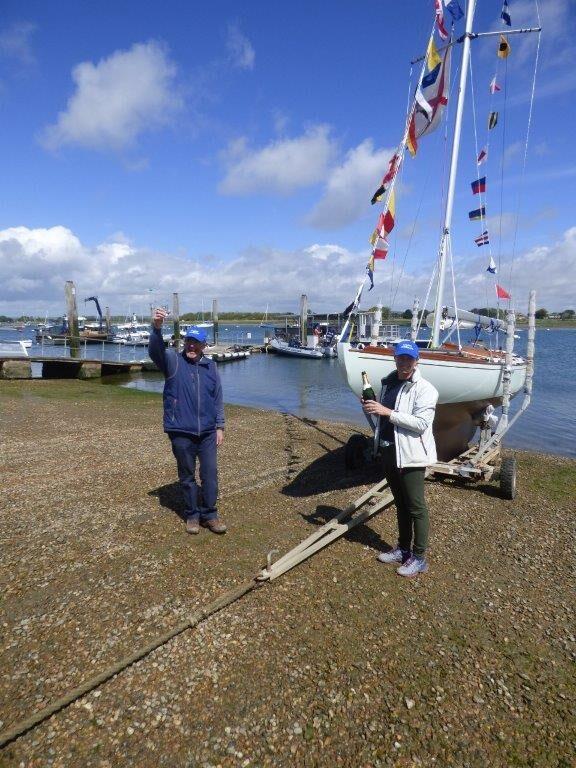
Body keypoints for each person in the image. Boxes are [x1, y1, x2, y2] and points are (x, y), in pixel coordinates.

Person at [362, 340, 438, 577]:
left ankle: (419, 558)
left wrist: (387, 412)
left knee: (416, 507)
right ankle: (403, 550)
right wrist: (372, 408)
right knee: (400, 503)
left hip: (412, 455)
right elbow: (383, 416)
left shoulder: (426, 389)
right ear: (395, 358)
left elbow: (421, 424)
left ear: (417, 361)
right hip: (388, 450)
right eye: (400, 358)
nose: (404, 363)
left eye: (409, 359)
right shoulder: (388, 382)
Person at [149, 309, 226, 535]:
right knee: (187, 475)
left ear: (203, 346)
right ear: (184, 343)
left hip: (208, 432)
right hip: (181, 430)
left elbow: (217, 398)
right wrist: (156, 328)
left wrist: (220, 425)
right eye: (188, 341)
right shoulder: (173, 361)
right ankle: (192, 515)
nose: (191, 346)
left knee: (210, 474)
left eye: (196, 343)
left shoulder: (211, 367)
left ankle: (209, 514)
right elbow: (155, 351)